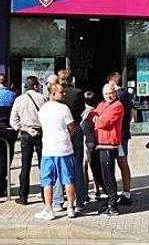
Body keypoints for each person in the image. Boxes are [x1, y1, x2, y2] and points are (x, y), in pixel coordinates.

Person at [35, 82, 78, 221]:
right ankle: (71, 207)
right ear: (52, 94)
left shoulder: (43, 109)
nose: (64, 93)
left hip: (48, 149)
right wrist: (67, 137)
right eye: (61, 92)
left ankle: (49, 209)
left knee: (47, 181)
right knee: (68, 179)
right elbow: (72, 127)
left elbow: (42, 125)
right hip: (64, 149)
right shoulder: (64, 108)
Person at [10, 76, 46, 205]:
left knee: (25, 166)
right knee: (44, 165)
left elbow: (13, 121)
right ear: (36, 86)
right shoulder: (43, 98)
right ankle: (45, 195)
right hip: (41, 133)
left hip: (26, 134)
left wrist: (25, 128)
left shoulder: (19, 100)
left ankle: (23, 196)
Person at [57, 73, 90, 212]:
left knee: (60, 165)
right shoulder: (78, 93)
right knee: (77, 165)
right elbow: (82, 110)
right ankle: (80, 201)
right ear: (71, 79)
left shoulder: (57, 95)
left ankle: (58, 201)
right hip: (76, 129)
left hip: (61, 132)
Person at [91, 82, 124, 215]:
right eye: (106, 94)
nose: (108, 96)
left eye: (110, 93)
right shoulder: (102, 104)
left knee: (108, 175)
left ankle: (113, 204)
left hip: (109, 145)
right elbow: (91, 116)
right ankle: (109, 199)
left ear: (115, 92)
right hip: (100, 144)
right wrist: (97, 118)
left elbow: (105, 123)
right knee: (99, 173)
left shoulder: (118, 106)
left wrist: (98, 119)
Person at [109, 72, 133, 205]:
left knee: (122, 162)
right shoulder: (127, 95)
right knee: (122, 162)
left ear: (112, 83)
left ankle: (126, 193)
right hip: (123, 132)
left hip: (120, 134)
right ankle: (126, 192)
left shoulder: (119, 96)